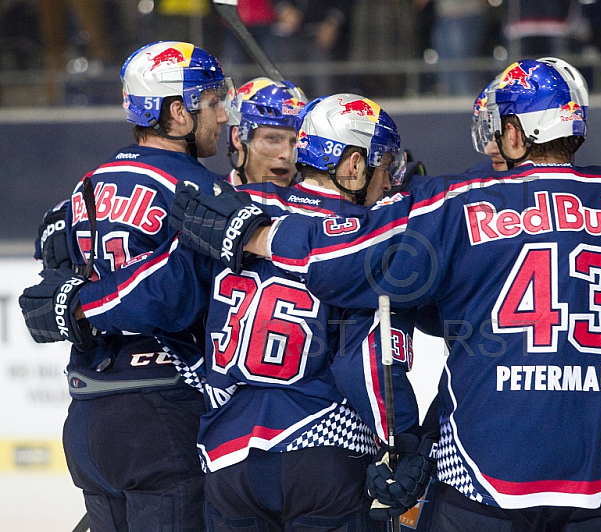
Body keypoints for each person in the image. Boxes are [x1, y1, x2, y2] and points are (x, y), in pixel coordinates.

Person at [165, 58, 601, 530]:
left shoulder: (457, 202)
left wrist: (259, 234)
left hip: (483, 482)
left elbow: (343, 260)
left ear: (514, 132)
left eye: (494, 131)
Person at [20, 93, 435, 531]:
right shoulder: (366, 236)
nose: (389, 182)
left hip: (227, 456)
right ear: (354, 165)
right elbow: (364, 361)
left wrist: (80, 304)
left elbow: (158, 288)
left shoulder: (228, 207)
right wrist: (401, 443)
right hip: (322, 452)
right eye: (385, 166)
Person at [24, 40, 233, 531]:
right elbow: (174, 297)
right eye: (213, 102)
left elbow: (54, 271)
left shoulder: (86, 187)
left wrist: (77, 305)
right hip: (161, 416)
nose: (223, 117)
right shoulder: (201, 191)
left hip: (88, 420)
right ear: (177, 114)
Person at [225, 76, 307, 186]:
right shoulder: (207, 198)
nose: (288, 155)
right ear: (238, 138)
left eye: (295, 142)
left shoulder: (316, 202)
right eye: (273, 139)